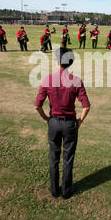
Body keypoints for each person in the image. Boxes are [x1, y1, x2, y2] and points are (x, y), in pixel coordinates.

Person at [35, 47, 91, 199]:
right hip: (69, 124)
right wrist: (79, 121)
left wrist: (46, 119)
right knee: (68, 158)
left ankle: (54, 190)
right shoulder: (76, 80)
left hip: (53, 122)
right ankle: (66, 191)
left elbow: (37, 105)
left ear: (57, 62)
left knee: (54, 157)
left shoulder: (47, 79)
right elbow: (86, 106)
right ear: (70, 62)